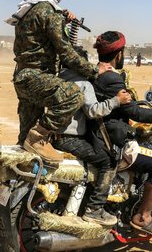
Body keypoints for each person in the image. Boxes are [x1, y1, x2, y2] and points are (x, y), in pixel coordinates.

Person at [6, 0, 100, 163]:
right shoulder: (48, 11)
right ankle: (39, 138)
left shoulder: (29, 9)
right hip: (38, 77)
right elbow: (66, 53)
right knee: (74, 95)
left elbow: (40, 37)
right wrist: (95, 71)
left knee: (24, 145)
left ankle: (16, 186)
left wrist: (62, 22)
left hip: (23, 78)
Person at [92, 31, 152, 236]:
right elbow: (133, 112)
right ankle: (143, 216)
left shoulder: (95, 74)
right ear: (119, 54)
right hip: (113, 142)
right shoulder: (112, 78)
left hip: (97, 135)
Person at [53, 46, 132, 226]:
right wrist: (116, 101)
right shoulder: (84, 84)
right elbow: (93, 111)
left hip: (53, 138)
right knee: (108, 161)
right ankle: (94, 209)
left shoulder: (57, 79)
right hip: (70, 139)